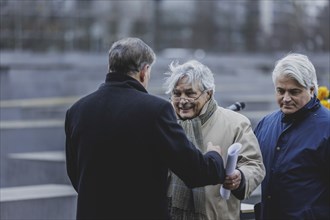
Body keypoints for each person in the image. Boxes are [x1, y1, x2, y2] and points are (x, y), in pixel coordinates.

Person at [65, 37, 227, 220]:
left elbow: (76, 176)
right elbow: (194, 172)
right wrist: (214, 157)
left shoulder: (77, 111)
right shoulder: (155, 111)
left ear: (109, 67)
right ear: (144, 71)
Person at [163, 60, 265, 220]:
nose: (182, 100)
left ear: (208, 94)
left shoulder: (236, 123)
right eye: (177, 94)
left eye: (190, 93)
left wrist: (240, 176)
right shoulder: (165, 123)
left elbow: (254, 165)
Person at [254, 53, 330, 220]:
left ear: (311, 89)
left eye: (294, 92)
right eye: (280, 91)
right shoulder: (266, 124)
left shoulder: (327, 128)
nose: (286, 98)